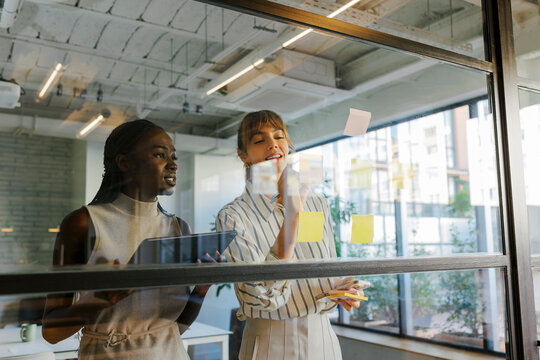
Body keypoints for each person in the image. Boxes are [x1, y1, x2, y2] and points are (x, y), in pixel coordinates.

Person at [42, 120, 207, 359]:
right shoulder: (83, 223)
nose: (173, 165)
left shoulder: (179, 227)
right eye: (160, 155)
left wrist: (200, 291)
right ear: (125, 163)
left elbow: (175, 327)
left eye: (174, 156)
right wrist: (100, 300)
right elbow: (51, 332)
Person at [216, 110, 363, 360]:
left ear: (288, 146)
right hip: (270, 342)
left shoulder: (317, 203)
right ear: (243, 155)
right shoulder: (233, 216)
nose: (273, 144)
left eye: (279, 136)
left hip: (323, 340)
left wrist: (340, 288)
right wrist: (293, 214)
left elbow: (319, 268)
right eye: (259, 140)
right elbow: (260, 297)